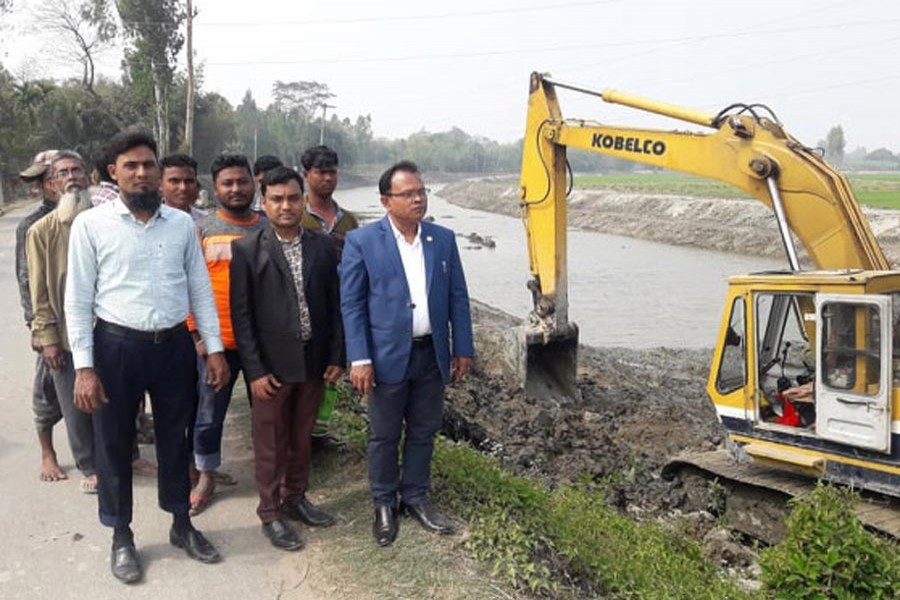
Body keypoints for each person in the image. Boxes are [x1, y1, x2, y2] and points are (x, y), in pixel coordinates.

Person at [65, 130, 230, 584]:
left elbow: (199, 289)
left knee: (176, 436)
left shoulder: (180, 225)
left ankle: (181, 522)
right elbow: (77, 300)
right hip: (115, 347)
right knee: (114, 442)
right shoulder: (91, 226)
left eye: (148, 165)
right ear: (112, 173)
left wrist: (214, 349)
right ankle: (121, 535)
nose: (142, 173)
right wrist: (84, 368)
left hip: (173, 346)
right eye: (131, 166)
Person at [340, 160, 474, 547]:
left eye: (421, 192)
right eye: (408, 194)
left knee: (423, 431)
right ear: (386, 200)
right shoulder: (362, 242)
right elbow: (352, 305)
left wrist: (462, 347)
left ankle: (415, 496)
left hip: (431, 353)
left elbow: (458, 297)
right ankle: (384, 503)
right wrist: (360, 358)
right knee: (383, 435)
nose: (418, 199)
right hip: (385, 357)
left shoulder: (441, 239)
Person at [230, 166, 345, 551]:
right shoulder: (247, 249)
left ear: (303, 201)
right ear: (264, 203)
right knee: (271, 442)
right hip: (272, 368)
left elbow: (335, 305)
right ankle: (270, 512)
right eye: (276, 199)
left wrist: (337, 356)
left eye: (293, 198)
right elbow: (242, 317)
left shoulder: (322, 247)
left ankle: (295, 497)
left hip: (313, 361)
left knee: (301, 437)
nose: (285, 206)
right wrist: (255, 371)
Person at [188, 154, 267, 515]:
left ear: (254, 184)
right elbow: (187, 286)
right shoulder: (201, 230)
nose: (236, 189)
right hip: (217, 343)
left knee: (266, 413)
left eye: (242, 181)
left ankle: (270, 475)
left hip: (263, 344)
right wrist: (199, 338)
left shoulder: (268, 227)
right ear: (215, 188)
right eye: (227, 183)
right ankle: (206, 474)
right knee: (208, 414)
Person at [26, 151, 98, 494]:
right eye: (63, 173)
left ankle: (122, 457)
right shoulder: (41, 231)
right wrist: (48, 337)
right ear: (52, 184)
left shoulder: (105, 220)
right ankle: (89, 466)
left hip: (108, 329)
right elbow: (38, 290)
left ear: (88, 177)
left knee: (115, 399)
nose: (71, 178)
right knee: (75, 405)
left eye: (77, 170)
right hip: (66, 334)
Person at [299, 145, 359, 449]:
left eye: (332, 172)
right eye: (320, 172)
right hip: (304, 304)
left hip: (340, 303)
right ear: (306, 175)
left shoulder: (348, 220)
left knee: (332, 369)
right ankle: (299, 434)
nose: (327, 178)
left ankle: (319, 432)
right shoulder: (297, 215)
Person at [16, 149, 66, 481]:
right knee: (47, 389)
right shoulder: (32, 225)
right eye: (46, 180)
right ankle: (48, 453)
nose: (52, 184)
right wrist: (37, 327)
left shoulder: (90, 215)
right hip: (52, 321)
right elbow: (26, 279)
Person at [160, 153, 207, 221]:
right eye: (175, 181)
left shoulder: (206, 221)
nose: (183, 188)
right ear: (160, 185)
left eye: (189, 181)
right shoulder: (149, 222)